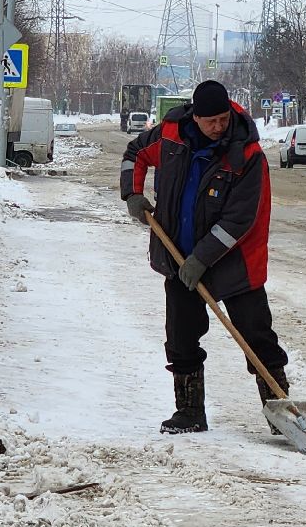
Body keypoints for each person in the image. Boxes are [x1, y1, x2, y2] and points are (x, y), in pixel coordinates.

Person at [120, 80, 286, 434]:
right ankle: (189, 411)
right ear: (195, 117)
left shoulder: (247, 155)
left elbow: (239, 219)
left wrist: (203, 258)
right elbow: (134, 153)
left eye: (224, 119)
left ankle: (282, 414)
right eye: (211, 121)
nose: (218, 127)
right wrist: (132, 194)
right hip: (179, 256)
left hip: (235, 262)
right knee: (180, 336)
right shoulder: (169, 136)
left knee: (257, 335)